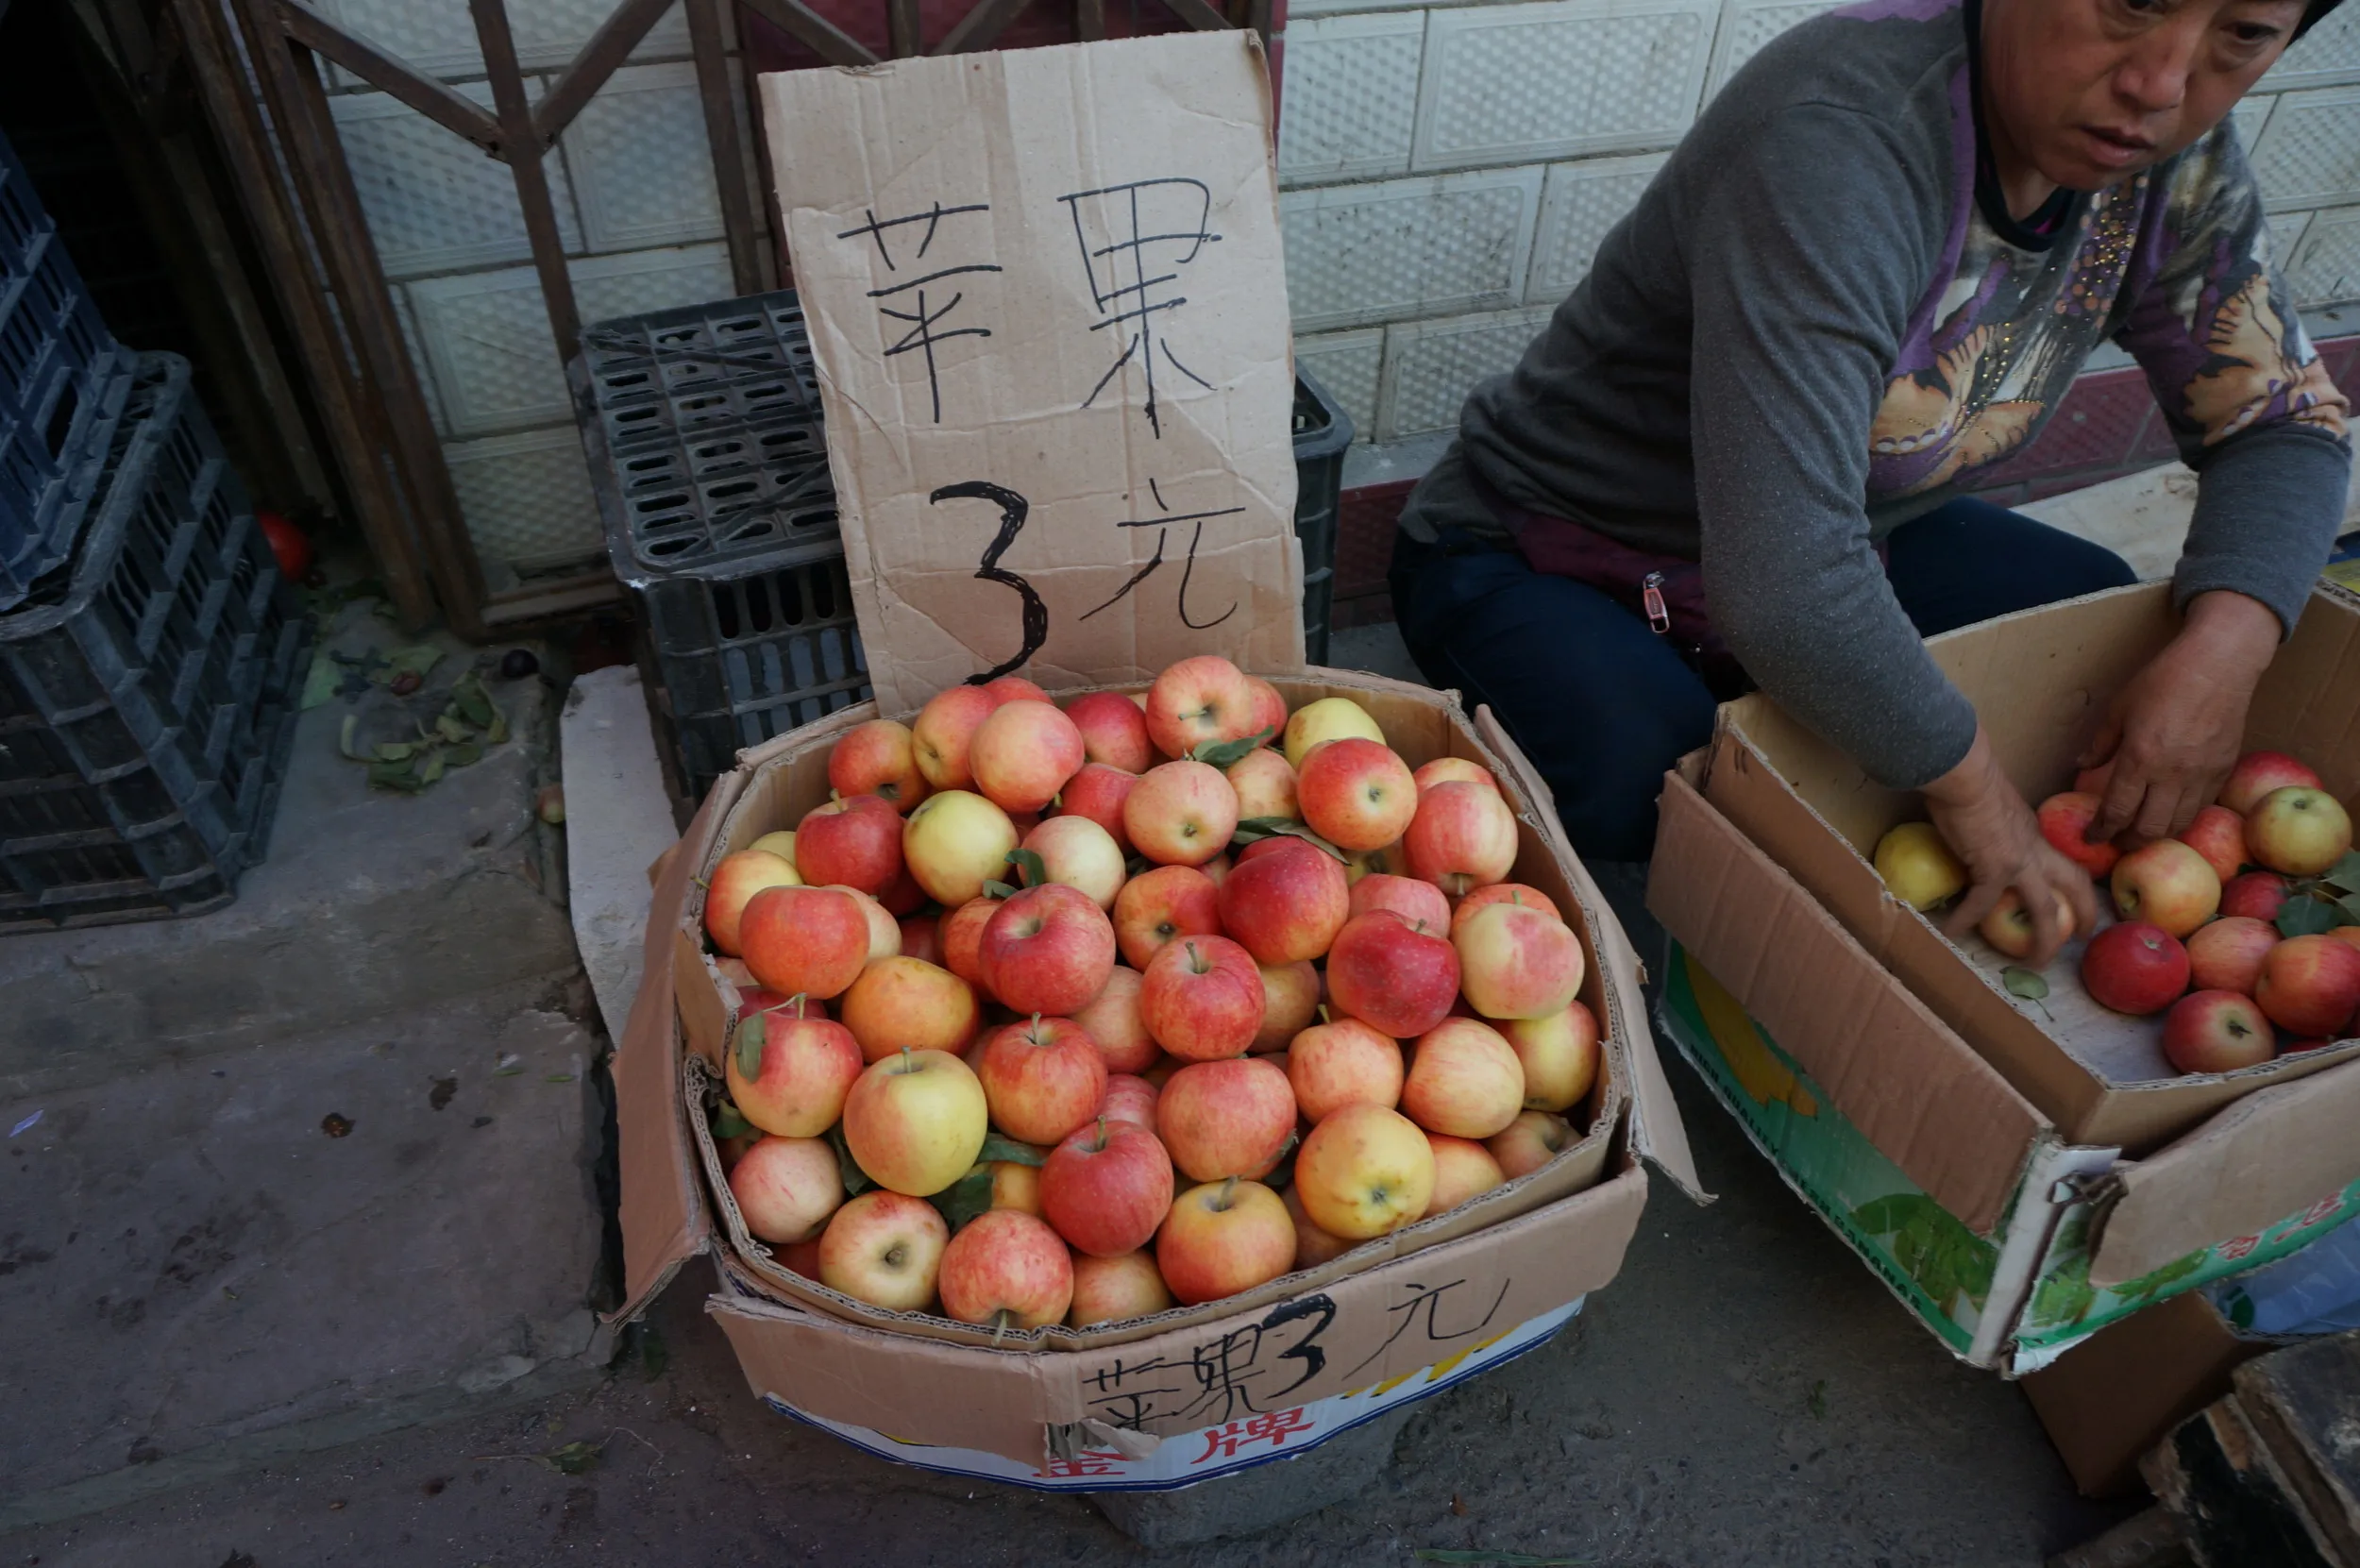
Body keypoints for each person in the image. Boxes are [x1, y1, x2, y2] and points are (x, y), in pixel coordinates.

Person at [1389, 0, 2352, 967]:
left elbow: (2283, 424)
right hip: (1548, 546)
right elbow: (1789, 588)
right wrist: (1975, 795)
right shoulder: (1840, 141)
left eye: (2241, 33)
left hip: (1836, 535)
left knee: (2094, 628)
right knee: (1655, 771)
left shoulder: (2166, 163)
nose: (2162, 82)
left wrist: (2227, 652)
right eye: (2130, 2)